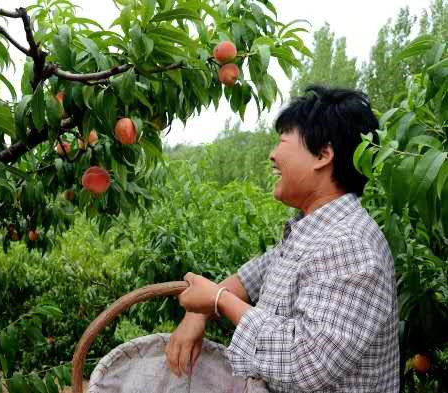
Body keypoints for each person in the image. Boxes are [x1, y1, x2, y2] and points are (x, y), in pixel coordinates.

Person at [165, 85, 400, 392]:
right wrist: (198, 314)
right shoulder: (314, 230)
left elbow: (302, 362)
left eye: (283, 141)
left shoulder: (350, 247)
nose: (273, 155)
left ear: (323, 155)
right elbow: (254, 276)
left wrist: (218, 300)